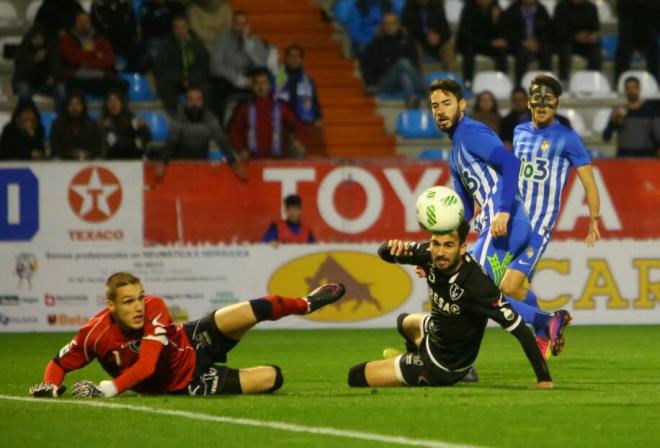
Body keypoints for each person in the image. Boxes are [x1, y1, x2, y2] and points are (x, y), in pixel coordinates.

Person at [29, 272, 346, 398]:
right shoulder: (94, 335)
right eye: (128, 302)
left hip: (193, 338)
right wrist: (51, 387)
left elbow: (148, 362)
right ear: (110, 306)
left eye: (139, 296)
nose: (138, 306)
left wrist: (108, 389)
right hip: (188, 381)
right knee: (273, 378)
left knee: (261, 306)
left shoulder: (154, 306)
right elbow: (59, 363)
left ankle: (305, 303)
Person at [429, 78, 569, 359]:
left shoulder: (470, 132)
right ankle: (545, 324)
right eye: (435, 106)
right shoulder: (456, 153)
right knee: (506, 289)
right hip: (505, 222)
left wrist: (503, 211)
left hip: (505, 220)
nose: (441, 110)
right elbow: (465, 213)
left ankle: (544, 322)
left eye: (447, 103)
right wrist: (435, 251)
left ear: (462, 105)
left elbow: (511, 163)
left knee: (472, 293)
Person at [347, 222, 553, 388]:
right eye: (436, 244)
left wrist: (544, 379)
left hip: (444, 364)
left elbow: (520, 329)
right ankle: (412, 356)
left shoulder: (479, 286)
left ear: (462, 248)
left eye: (448, 245)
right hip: (438, 331)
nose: (440, 252)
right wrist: (391, 247)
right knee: (403, 322)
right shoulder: (429, 254)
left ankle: (427, 370)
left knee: (355, 376)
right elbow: (385, 254)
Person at [512, 75, 601, 358]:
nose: (541, 107)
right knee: (515, 288)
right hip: (514, 222)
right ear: (528, 103)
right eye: (536, 101)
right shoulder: (518, 132)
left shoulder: (568, 138)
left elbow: (588, 180)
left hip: (538, 226)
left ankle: (547, 323)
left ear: (556, 106)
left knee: (506, 286)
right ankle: (545, 329)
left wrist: (593, 220)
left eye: (548, 103)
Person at [159, 86, 245, 180]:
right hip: (180, 165)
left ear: (202, 102)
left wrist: (234, 163)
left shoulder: (209, 118)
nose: (194, 103)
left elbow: (222, 141)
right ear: (186, 102)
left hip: (202, 165)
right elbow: (171, 141)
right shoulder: (179, 118)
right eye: (191, 99)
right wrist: (163, 162)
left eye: (198, 100)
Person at [229, 68, 305, 161]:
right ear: (252, 86)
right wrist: (241, 149)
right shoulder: (244, 108)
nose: (261, 87)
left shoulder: (281, 106)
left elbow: (298, 125)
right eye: (257, 83)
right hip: (251, 162)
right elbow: (234, 132)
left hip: (277, 162)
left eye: (264, 83)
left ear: (269, 85)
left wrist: (297, 140)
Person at [209, 10, 272, 123]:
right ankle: (218, 129)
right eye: (238, 24)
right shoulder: (222, 40)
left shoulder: (255, 40)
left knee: (266, 85)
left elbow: (262, 65)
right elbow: (215, 66)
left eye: (243, 24)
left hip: (251, 79)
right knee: (217, 88)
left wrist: (247, 45)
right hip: (228, 79)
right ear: (232, 24)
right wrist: (239, 79)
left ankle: (264, 123)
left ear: (248, 25)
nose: (240, 28)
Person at [57, 11, 128, 97]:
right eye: (80, 22)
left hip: (101, 78)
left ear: (90, 23)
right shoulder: (66, 39)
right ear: (75, 23)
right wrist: (95, 55)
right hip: (77, 78)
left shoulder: (100, 39)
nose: (83, 25)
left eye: (86, 22)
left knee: (122, 85)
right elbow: (73, 59)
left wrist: (86, 63)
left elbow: (110, 59)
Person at [363, 12, 425, 108]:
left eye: (393, 23)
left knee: (404, 76)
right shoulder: (376, 43)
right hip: (384, 81)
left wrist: (391, 61)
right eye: (387, 23)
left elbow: (414, 63)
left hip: (401, 78)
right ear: (382, 26)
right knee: (402, 63)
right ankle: (425, 89)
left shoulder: (407, 41)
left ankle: (410, 100)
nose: (390, 26)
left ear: (398, 25)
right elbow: (373, 66)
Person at [153, 15, 210, 115]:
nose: (180, 30)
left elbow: (203, 64)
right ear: (173, 29)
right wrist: (180, 78)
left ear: (188, 27)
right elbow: (160, 67)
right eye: (176, 27)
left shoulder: (197, 43)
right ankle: (176, 115)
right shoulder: (167, 44)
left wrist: (190, 78)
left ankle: (202, 116)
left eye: (183, 27)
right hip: (175, 80)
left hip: (194, 79)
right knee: (163, 85)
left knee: (207, 88)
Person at [275, 45, 325, 155]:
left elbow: (313, 99)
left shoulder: (306, 79)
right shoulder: (277, 77)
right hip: (281, 123)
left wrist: (318, 116)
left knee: (299, 157)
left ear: (302, 59)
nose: (294, 59)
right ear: (285, 58)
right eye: (291, 56)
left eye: (297, 56)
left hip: (302, 123)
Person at [603, 76, 659, 158]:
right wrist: (612, 122)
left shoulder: (650, 113)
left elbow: (658, 137)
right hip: (624, 159)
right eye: (628, 88)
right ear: (625, 91)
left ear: (639, 89)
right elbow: (606, 137)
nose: (631, 91)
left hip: (645, 159)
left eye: (634, 87)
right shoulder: (619, 113)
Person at [456, 0, 508, 87]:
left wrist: (496, 20)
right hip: (473, 43)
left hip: (489, 44)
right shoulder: (469, 9)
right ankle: (468, 81)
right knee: (469, 51)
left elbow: (503, 31)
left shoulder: (496, 8)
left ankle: (502, 80)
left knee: (501, 50)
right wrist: (489, 43)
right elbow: (467, 34)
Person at [500, 0, 552, 86]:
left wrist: (537, 42)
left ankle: (545, 83)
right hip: (518, 44)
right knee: (521, 53)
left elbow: (548, 31)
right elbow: (507, 31)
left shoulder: (541, 10)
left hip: (536, 43)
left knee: (546, 51)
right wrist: (523, 42)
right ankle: (520, 84)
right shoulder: (513, 10)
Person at [12, 24, 65, 105]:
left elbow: (57, 67)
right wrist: (35, 61)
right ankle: (25, 113)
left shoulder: (50, 49)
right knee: (24, 89)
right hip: (28, 82)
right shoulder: (22, 50)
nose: (38, 40)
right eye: (35, 37)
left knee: (60, 89)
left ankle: (62, 114)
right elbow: (21, 73)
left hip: (46, 83)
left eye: (40, 37)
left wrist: (53, 78)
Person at [400, 0, 457, 72]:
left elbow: (445, 29)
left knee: (447, 45)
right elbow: (409, 30)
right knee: (415, 46)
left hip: (436, 39)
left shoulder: (438, 7)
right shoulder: (409, 8)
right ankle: (420, 78)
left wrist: (439, 37)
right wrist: (426, 36)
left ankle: (452, 76)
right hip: (419, 40)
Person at [554, 0, 601, 85]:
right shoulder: (561, 7)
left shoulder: (591, 7)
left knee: (596, 48)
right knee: (564, 49)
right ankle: (564, 82)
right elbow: (559, 31)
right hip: (567, 41)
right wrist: (576, 37)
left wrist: (592, 35)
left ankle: (593, 81)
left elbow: (595, 27)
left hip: (586, 42)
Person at [50, 91, 103, 160]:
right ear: (66, 106)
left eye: (78, 104)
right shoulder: (57, 124)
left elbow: (97, 148)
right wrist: (72, 154)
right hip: (64, 163)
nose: (74, 108)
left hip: (87, 163)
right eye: (71, 104)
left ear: (83, 106)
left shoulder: (92, 124)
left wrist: (87, 154)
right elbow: (55, 148)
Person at [614, 0, 658, 84]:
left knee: (653, 54)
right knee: (623, 53)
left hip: (649, 27)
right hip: (629, 29)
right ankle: (619, 83)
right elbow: (621, 7)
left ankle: (655, 84)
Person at [99, 90, 152, 160]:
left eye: (116, 101)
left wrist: (144, 128)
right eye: (110, 101)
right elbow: (112, 143)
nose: (113, 104)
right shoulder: (102, 122)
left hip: (133, 157)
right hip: (112, 159)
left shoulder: (131, 118)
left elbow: (146, 138)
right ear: (106, 104)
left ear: (122, 103)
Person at [90, 0, 140, 71]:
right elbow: (97, 28)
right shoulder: (97, 7)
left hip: (128, 43)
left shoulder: (126, 5)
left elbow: (132, 25)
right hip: (107, 45)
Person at [139, 0, 187, 71]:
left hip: (174, 39)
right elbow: (145, 30)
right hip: (154, 42)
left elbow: (182, 22)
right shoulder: (147, 7)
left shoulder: (175, 5)